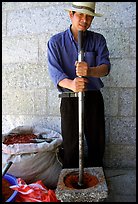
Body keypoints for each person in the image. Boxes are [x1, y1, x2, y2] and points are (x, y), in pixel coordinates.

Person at [47, 2, 111, 168]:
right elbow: (55, 73)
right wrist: (72, 84)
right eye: (80, 15)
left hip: (93, 98)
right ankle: (71, 180)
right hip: (69, 98)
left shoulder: (98, 40)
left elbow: (105, 68)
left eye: (89, 16)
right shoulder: (55, 42)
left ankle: (94, 180)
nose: (85, 20)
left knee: (96, 142)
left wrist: (89, 71)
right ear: (71, 14)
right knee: (71, 144)